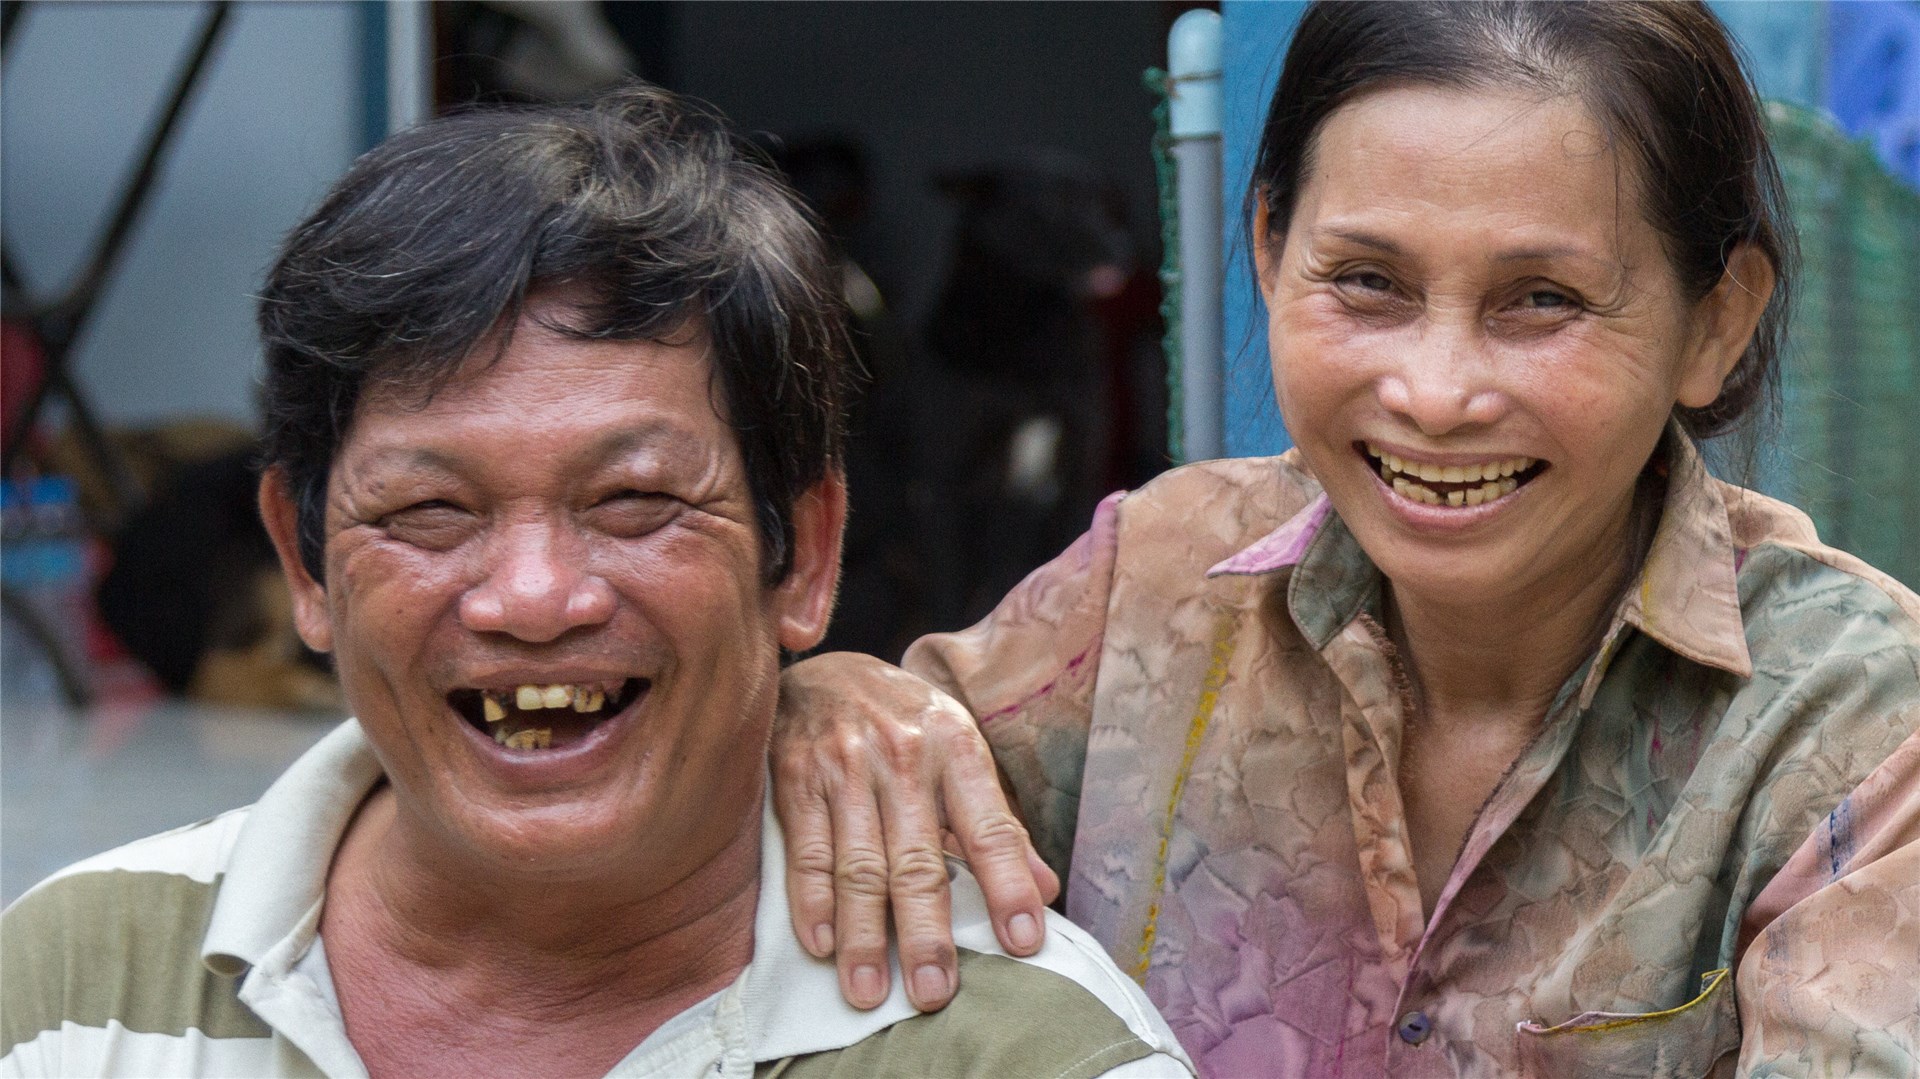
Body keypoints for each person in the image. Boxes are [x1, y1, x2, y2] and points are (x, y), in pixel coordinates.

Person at [768, 3, 1920, 1075]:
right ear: (1271, 252)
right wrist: (827, 704)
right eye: (1368, 281)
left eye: (1543, 300)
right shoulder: (1160, 577)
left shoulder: (1858, 731)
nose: (1434, 391)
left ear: (1715, 322)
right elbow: (873, 784)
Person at [0, 86, 1193, 1079]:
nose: (531, 596)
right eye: (429, 511)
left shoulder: (1025, 1054)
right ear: (304, 557)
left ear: (806, 552)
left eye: (635, 504)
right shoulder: (74, 987)